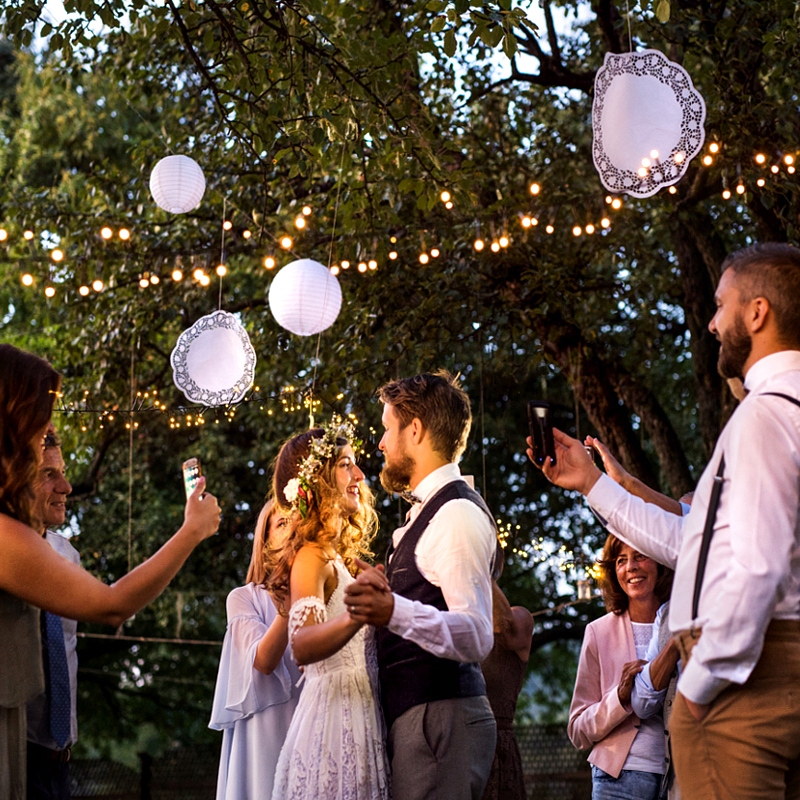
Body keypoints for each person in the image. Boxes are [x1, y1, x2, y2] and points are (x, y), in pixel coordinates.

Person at [527, 242, 800, 799]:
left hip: (744, 681)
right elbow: (695, 544)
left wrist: (700, 681)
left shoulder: (763, 417)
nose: (711, 322)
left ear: (758, 312)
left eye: (720, 305)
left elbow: (757, 569)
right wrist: (592, 483)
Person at [0, 344, 221, 799]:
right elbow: (112, 605)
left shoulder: (44, 544)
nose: (47, 434)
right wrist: (191, 531)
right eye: (41, 425)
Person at [345, 370, 498, 800]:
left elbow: (477, 634)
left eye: (386, 429)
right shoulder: (428, 512)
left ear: (414, 430)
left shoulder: (455, 514)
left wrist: (392, 610)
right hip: (424, 721)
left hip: (440, 722)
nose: (380, 444)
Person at [267, 418, 390, 800]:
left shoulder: (338, 559)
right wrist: (359, 611)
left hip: (361, 713)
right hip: (334, 724)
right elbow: (302, 645)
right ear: (318, 478)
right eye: (345, 465)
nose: (359, 475)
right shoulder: (311, 556)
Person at [209, 499, 302, 800]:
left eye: (298, 521)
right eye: (282, 523)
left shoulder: (327, 591)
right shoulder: (244, 598)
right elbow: (262, 661)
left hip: (314, 724)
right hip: (264, 734)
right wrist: (289, 607)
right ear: (265, 541)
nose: (293, 529)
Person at [568, 534, 673, 799]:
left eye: (640, 556)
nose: (631, 567)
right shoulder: (598, 632)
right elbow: (577, 731)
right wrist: (619, 698)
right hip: (618, 780)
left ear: (660, 562)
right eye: (621, 561)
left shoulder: (681, 623)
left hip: (682, 776)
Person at [26, 428, 78, 800]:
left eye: (63, 473)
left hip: (62, 759)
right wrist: (190, 531)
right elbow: (114, 607)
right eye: (49, 474)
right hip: (15, 752)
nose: (66, 487)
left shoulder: (68, 555)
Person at [480, 571, 534, 800]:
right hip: (462, 742)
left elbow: (507, 628)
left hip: (497, 747)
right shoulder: (462, 629)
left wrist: (479, 568)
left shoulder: (519, 618)